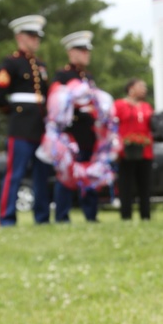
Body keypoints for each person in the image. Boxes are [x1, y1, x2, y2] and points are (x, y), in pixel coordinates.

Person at [0, 14, 51, 226]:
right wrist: (12, 113)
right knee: (14, 175)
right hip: (20, 128)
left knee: (41, 176)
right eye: (31, 36)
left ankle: (42, 217)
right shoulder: (11, 63)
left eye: (37, 37)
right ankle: (7, 218)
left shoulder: (40, 66)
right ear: (20, 37)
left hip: (40, 128)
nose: (36, 40)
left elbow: (47, 97)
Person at [52, 30, 99, 223]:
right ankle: (62, 215)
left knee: (89, 172)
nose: (86, 54)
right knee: (67, 174)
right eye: (82, 50)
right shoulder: (62, 75)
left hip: (89, 133)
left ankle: (91, 214)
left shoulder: (88, 77)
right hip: (71, 133)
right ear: (71, 52)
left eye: (87, 51)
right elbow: (57, 103)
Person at [114, 79, 155, 221]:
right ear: (131, 88)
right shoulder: (119, 105)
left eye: (145, 86)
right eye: (140, 86)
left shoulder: (146, 106)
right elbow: (112, 126)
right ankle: (126, 215)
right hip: (126, 151)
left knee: (145, 184)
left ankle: (146, 215)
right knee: (125, 184)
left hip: (145, 151)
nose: (144, 89)